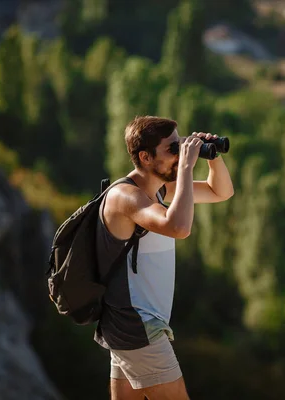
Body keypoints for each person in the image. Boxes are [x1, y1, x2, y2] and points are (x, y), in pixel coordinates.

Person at [94, 116, 234, 400]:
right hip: (137, 324)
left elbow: (221, 192)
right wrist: (184, 167)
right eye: (171, 149)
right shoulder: (126, 197)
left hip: (129, 324)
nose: (178, 154)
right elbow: (178, 227)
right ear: (145, 157)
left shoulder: (157, 189)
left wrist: (212, 156)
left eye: (179, 145)